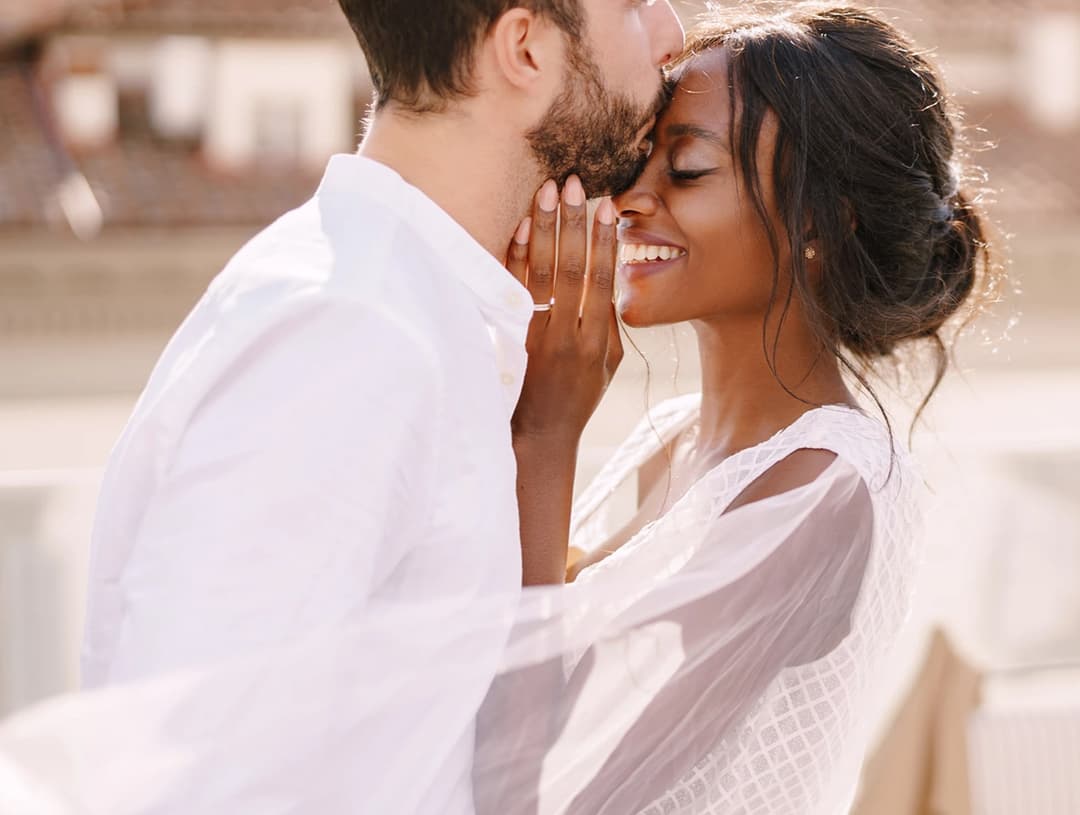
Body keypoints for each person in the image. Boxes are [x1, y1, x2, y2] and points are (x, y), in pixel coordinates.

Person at [77, 0, 681, 810]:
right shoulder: (351, 333)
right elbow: (188, 781)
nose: (671, 30)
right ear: (526, 49)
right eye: (634, 6)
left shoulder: (411, 315)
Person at [470, 3, 997, 813]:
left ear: (822, 219)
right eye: (637, 160)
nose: (631, 200)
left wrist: (545, 434)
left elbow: (532, 787)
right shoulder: (668, 435)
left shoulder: (824, 490)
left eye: (684, 170)